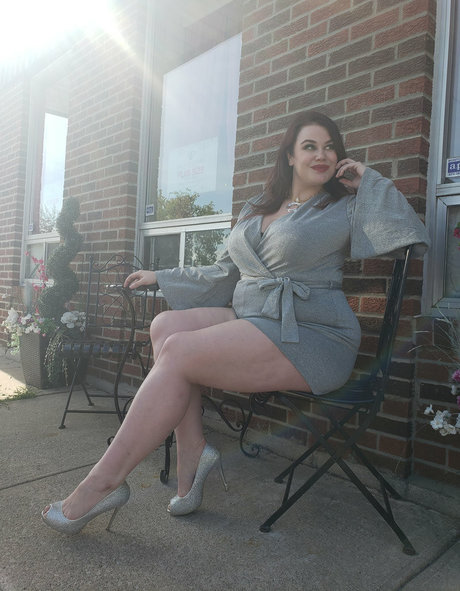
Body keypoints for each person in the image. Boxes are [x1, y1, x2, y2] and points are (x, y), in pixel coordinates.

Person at [41, 111, 429, 534]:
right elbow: (225, 272)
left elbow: (409, 234)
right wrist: (162, 276)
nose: (322, 154)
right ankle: (192, 450)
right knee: (166, 326)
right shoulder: (256, 207)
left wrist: (369, 181)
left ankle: (104, 482)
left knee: (178, 351)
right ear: (289, 155)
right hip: (253, 317)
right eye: (310, 146)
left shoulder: (344, 206)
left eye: (330, 147)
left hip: (310, 332)